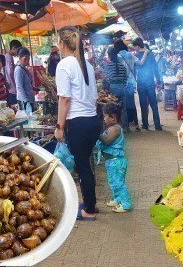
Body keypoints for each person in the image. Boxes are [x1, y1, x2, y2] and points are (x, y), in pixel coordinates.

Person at [54, 26, 99, 221]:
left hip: (78, 124)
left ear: (62, 43)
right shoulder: (86, 65)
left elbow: (64, 99)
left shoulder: (64, 65)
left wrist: (60, 127)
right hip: (92, 121)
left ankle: (89, 209)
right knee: (86, 164)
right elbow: (94, 97)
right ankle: (90, 203)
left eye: (57, 41)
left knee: (82, 167)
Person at [95, 103, 132, 213]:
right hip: (111, 162)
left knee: (118, 183)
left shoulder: (115, 129)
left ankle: (126, 204)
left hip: (117, 162)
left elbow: (107, 141)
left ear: (113, 117)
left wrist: (96, 133)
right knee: (113, 182)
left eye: (105, 116)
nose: (104, 118)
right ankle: (117, 199)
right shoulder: (111, 128)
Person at [133, 37, 163, 131]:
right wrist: (158, 81)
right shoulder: (150, 54)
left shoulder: (136, 55)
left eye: (134, 46)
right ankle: (157, 125)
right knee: (153, 104)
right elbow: (155, 69)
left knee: (143, 105)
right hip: (150, 82)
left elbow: (134, 71)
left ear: (137, 46)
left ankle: (145, 125)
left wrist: (134, 83)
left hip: (141, 82)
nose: (134, 48)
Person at [114, 39, 140, 131]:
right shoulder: (130, 55)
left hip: (122, 83)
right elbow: (139, 63)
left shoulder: (117, 56)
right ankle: (136, 124)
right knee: (132, 104)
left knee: (123, 105)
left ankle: (126, 125)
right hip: (131, 82)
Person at [104, 47, 129, 130]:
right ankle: (125, 126)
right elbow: (126, 77)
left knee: (113, 108)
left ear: (109, 55)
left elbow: (106, 78)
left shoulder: (108, 65)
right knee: (123, 108)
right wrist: (123, 85)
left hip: (113, 88)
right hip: (122, 88)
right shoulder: (122, 65)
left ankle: (116, 128)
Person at [4, 40, 22, 107]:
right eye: (18, 50)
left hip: (11, 87)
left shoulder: (7, 56)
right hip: (12, 87)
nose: (18, 52)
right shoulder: (9, 56)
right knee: (14, 107)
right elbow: (10, 71)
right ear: (14, 48)